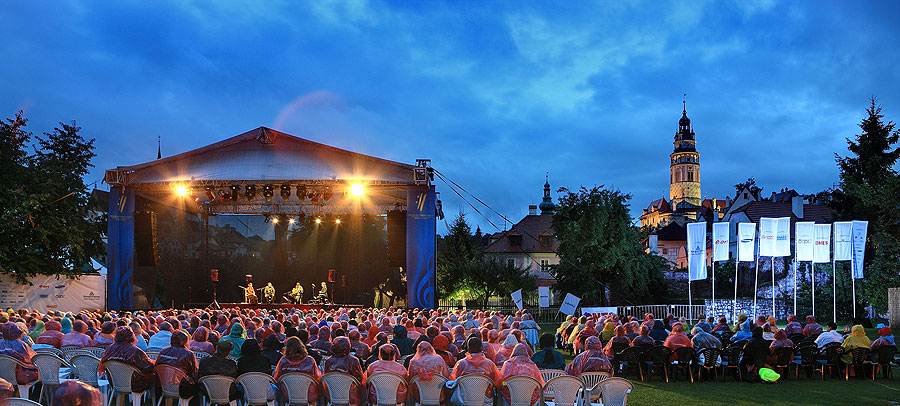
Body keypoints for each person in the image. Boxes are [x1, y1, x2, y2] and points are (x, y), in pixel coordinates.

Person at [100, 326, 155, 393]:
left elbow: (103, 365)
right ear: (131, 336)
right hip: (135, 384)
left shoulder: (110, 349)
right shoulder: (135, 351)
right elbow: (148, 367)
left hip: (115, 382)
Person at [451, 338, 500, 406]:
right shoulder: (489, 364)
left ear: (468, 348)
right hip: (485, 399)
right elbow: (497, 382)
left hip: (465, 398)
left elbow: (454, 380)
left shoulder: (461, 364)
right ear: (481, 348)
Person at [273, 337, 320, 401]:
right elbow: (317, 378)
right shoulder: (310, 360)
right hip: (308, 394)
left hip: (288, 394)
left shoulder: (283, 361)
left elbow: (276, 378)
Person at [324, 337, 365, 406]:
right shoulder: (353, 361)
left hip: (332, 394)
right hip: (350, 395)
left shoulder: (328, 361)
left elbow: (325, 379)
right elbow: (359, 379)